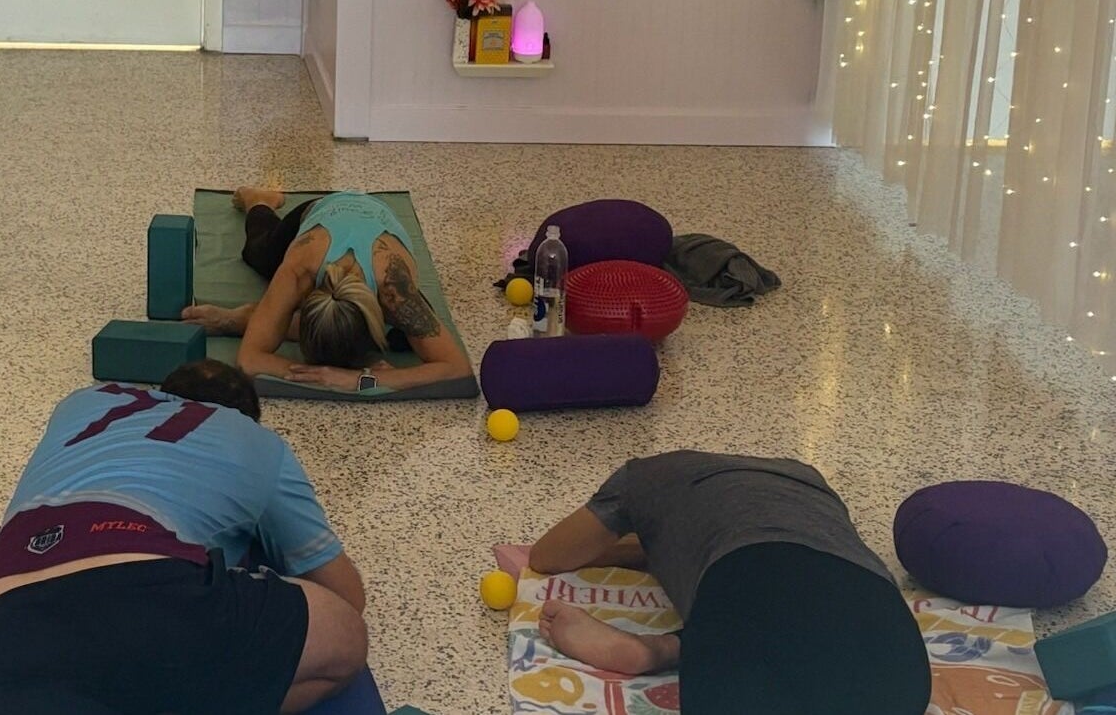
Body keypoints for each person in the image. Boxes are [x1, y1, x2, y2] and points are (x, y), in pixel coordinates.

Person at [0, 360, 369, 715]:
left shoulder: (81, 400)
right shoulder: (256, 440)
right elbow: (345, 592)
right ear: (245, 415)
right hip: (148, 588)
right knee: (345, 637)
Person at [528, 450, 930, 715]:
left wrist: (644, 548)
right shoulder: (808, 478)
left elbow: (548, 556)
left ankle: (656, 651)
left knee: (757, 633)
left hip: (749, 584)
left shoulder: (643, 476)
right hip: (893, 650)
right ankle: (664, 649)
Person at [182, 187, 472, 393]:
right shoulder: (300, 269)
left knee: (402, 340)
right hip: (318, 218)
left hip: (372, 223)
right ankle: (259, 200)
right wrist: (321, 375)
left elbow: (457, 367)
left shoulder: (395, 288)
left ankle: (250, 318)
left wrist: (357, 379)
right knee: (258, 253)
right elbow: (249, 360)